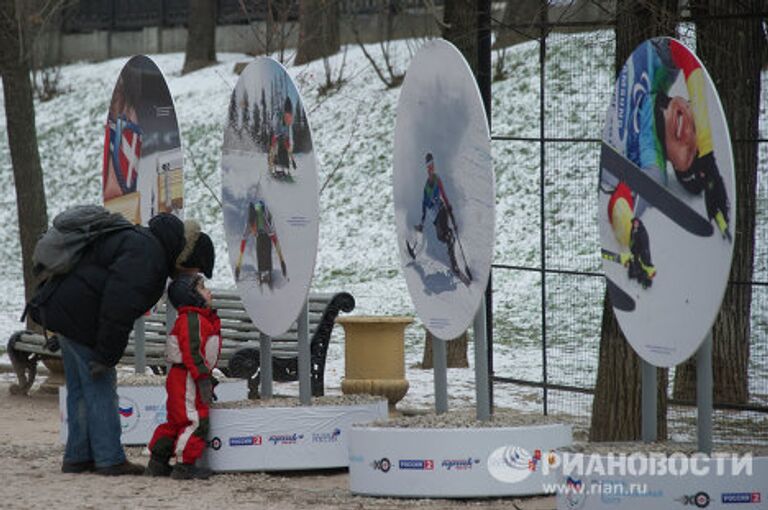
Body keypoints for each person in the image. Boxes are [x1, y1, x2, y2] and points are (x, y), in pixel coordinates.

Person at [38, 213, 185, 475]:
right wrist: (107, 355)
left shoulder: (136, 242)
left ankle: (78, 456)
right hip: (82, 319)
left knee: (80, 389)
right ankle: (109, 458)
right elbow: (119, 307)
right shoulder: (147, 255)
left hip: (63, 309)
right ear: (174, 242)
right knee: (101, 386)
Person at [602, 37, 730, 287]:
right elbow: (688, 60)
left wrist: (632, 233)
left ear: (678, 168)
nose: (690, 134)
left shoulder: (654, 169)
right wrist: (706, 153)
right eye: (696, 122)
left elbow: (621, 200)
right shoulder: (665, 70)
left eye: (691, 153)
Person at [146, 273, 221, 480]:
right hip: (189, 376)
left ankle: (158, 462)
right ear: (191, 296)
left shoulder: (194, 318)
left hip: (182, 375)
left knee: (176, 421)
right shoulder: (193, 319)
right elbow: (194, 352)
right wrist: (203, 378)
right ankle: (184, 465)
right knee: (195, 421)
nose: (209, 292)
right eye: (203, 288)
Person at [415, 152, 460, 275]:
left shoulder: (436, 179)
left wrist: (449, 206)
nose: (431, 168)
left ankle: (454, 263)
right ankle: (449, 237)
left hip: (441, 210)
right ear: (426, 168)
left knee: (445, 235)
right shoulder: (425, 187)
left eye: (432, 165)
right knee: (441, 237)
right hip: (434, 217)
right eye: (429, 166)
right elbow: (423, 205)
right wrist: (422, 223)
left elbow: (443, 194)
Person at [234, 200, 287, 284]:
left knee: (267, 249)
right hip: (259, 234)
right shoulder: (249, 225)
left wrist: (281, 259)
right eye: (252, 228)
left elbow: (273, 237)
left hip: (267, 233)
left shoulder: (264, 221)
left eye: (254, 226)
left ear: (257, 221)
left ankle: (268, 270)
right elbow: (244, 240)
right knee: (259, 249)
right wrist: (238, 264)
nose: (252, 229)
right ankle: (261, 271)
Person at [268, 96, 297, 178]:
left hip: (283, 139)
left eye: (290, 114)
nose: (289, 117)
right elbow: (274, 131)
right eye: (288, 114)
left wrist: (292, 159)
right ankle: (275, 169)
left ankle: (285, 170)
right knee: (277, 149)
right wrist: (278, 138)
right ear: (284, 112)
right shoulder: (278, 117)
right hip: (275, 137)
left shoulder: (288, 122)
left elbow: (287, 139)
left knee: (285, 149)